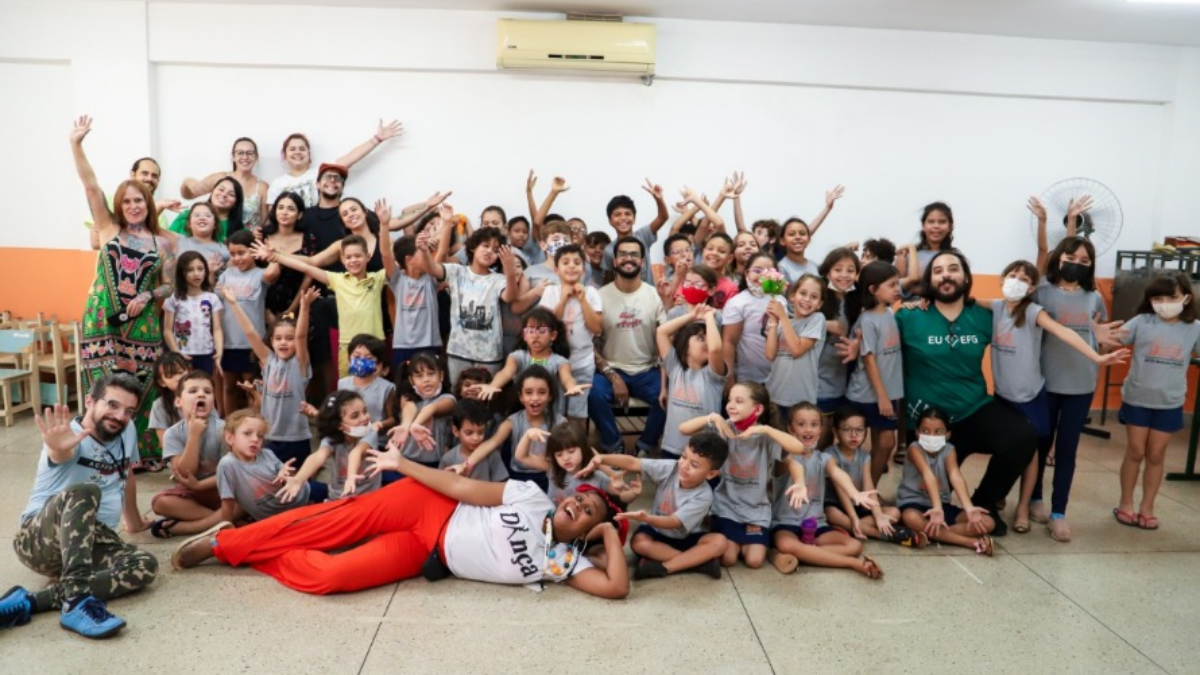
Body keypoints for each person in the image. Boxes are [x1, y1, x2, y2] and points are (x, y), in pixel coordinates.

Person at [171, 442, 630, 600]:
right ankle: (223, 547)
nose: (577, 505)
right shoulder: (532, 498)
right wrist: (403, 465)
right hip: (429, 506)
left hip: (427, 552)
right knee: (328, 523)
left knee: (333, 575)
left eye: (588, 512)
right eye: (580, 498)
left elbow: (616, 588)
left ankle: (249, 548)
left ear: (587, 532)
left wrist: (609, 530)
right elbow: (461, 488)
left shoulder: (563, 563)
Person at [895, 250, 1038, 536]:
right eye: (938, 271)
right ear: (929, 280)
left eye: (953, 269)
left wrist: (1090, 330)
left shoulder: (984, 315)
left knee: (1023, 435)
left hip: (974, 409)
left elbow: (1031, 323)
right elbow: (883, 350)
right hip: (930, 421)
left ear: (965, 277)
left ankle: (984, 503)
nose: (946, 275)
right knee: (926, 500)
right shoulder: (909, 316)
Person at [2, 376, 155, 638]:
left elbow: (126, 474)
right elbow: (60, 454)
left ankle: (30, 601)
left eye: (128, 411)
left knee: (144, 565)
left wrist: (134, 521)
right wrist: (56, 449)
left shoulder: (126, 429)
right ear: (90, 401)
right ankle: (76, 601)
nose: (120, 416)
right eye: (112, 405)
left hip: (92, 541)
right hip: (40, 539)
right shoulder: (68, 437)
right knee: (86, 491)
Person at [993, 256, 1127, 540]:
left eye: (1024, 279)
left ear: (1032, 288)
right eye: (1012, 276)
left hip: (1039, 392)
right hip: (1005, 394)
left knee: (1047, 449)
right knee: (1012, 448)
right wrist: (920, 300)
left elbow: (1065, 332)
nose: (1016, 282)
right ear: (1002, 278)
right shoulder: (995, 307)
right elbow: (962, 302)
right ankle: (1007, 495)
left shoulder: (1036, 310)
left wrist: (1097, 356)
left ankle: (1048, 511)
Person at [72, 115, 176, 467]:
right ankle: (93, 451)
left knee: (139, 393)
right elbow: (91, 187)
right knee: (101, 391)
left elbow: (169, 284)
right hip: (102, 322)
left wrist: (148, 296)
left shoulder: (162, 243)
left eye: (139, 201)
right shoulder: (108, 229)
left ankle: (134, 456)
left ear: (148, 204)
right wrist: (76, 144)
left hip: (143, 327)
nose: (134, 206)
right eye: (128, 201)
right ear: (120, 205)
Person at [680, 384, 804, 569]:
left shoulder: (766, 435)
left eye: (739, 401)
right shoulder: (723, 427)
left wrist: (767, 430)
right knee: (728, 559)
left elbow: (799, 448)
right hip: (726, 507)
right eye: (729, 400)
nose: (730, 405)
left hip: (756, 511)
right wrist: (712, 417)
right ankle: (750, 544)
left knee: (754, 561)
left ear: (758, 409)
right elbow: (683, 428)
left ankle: (768, 550)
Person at [1114, 271, 1200, 531]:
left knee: (1155, 454)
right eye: (1158, 298)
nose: (1164, 303)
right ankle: (1126, 503)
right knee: (1136, 451)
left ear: (1186, 298)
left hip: (1169, 402)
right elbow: (1112, 341)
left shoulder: (1194, 328)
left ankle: (1147, 507)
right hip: (1137, 398)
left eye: (1171, 298)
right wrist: (1097, 336)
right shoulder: (1141, 321)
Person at [582, 432, 730, 580]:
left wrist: (646, 518)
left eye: (694, 465)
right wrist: (602, 458)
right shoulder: (671, 467)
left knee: (720, 542)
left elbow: (673, 522)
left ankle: (664, 567)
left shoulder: (704, 496)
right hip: (657, 533)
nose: (684, 465)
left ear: (711, 474)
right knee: (639, 543)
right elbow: (634, 463)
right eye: (684, 456)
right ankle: (695, 562)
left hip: (687, 536)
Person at [768, 403, 884, 579]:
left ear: (821, 430)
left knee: (855, 546)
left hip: (817, 525)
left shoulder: (824, 458)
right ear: (791, 429)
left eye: (814, 424)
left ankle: (803, 554)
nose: (808, 429)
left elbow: (838, 473)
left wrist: (854, 493)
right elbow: (792, 465)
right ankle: (853, 564)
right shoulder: (785, 457)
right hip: (786, 523)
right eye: (801, 424)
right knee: (787, 545)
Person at [588, 237, 667, 457]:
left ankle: (645, 446)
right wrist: (612, 376)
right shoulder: (600, 296)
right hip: (610, 369)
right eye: (623, 254)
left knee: (671, 394)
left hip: (647, 370)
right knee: (592, 393)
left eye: (634, 254)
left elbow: (664, 339)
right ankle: (614, 446)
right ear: (614, 261)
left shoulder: (653, 295)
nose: (628, 259)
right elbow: (590, 344)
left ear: (642, 262)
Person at [225, 285, 317, 468]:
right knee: (269, 478)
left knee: (296, 480)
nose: (284, 342)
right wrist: (234, 304)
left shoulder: (299, 363)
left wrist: (305, 307)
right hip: (269, 436)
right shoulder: (268, 360)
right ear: (272, 341)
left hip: (296, 437)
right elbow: (250, 332)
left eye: (289, 338)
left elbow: (301, 335)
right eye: (278, 338)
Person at [898, 407, 996, 555]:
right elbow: (928, 475)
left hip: (943, 506)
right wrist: (936, 508)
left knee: (988, 523)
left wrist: (969, 508)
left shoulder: (949, 450)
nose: (931, 436)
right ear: (917, 433)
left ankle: (931, 534)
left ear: (947, 434)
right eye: (925, 431)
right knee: (910, 518)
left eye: (938, 432)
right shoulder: (914, 448)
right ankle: (970, 542)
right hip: (914, 503)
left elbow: (955, 476)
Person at [823, 406, 925, 547]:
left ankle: (848, 529)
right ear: (835, 431)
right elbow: (841, 491)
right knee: (831, 514)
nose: (853, 435)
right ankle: (883, 534)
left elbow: (869, 486)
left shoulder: (864, 456)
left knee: (894, 512)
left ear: (865, 432)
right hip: (838, 504)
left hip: (859, 505)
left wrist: (878, 515)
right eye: (846, 429)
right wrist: (853, 517)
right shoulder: (830, 455)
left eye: (859, 430)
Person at [844, 261, 904, 484]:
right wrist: (882, 397)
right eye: (892, 285)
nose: (897, 289)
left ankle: (869, 490)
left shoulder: (888, 312)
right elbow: (869, 360)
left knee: (886, 443)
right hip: (868, 395)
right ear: (873, 290)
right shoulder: (867, 319)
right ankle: (856, 491)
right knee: (864, 444)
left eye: (897, 284)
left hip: (888, 393)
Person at [149, 370, 228, 538]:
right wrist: (194, 436)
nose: (201, 394)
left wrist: (201, 485)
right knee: (160, 503)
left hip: (222, 489)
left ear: (213, 402)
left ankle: (186, 527)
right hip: (191, 493)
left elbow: (229, 473)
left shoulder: (225, 429)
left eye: (207, 392)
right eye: (193, 391)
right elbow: (185, 473)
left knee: (247, 498)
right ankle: (223, 520)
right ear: (178, 401)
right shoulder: (172, 434)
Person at [215, 409, 329, 524]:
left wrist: (285, 473)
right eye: (247, 433)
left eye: (260, 436)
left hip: (307, 496)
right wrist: (226, 528)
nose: (255, 439)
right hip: (279, 519)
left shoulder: (267, 454)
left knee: (336, 498)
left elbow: (289, 478)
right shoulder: (227, 464)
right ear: (230, 438)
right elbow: (227, 502)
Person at [538, 243, 604, 426]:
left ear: (584, 269)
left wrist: (582, 300)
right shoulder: (550, 292)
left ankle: (577, 444)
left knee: (578, 415)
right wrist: (562, 300)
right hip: (553, 362)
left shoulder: (591, 293)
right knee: (553, 413)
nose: (571, 266)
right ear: (556, 270)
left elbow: (597, 329)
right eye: (565, 262)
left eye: (577, 262)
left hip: (582, 363)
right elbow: (546, 328)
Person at [266, 122, 402, 209]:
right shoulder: (277, 184)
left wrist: (377, 139)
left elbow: (351, 157)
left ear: (309, 153)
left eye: (302, 149)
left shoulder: (321, 172)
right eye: (292, 149)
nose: (297, 152)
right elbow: (273, 215)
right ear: (285, 154)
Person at [217, 229, 278, 413]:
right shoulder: (226, 274)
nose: (237, 258)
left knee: (252, 388)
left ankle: (254, 423)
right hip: (228, 343)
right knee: (229, 386)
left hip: (253, 344)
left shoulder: (259, 274)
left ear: (253, 251)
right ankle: (230, 423)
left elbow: (273, 272)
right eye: (232, 254)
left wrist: (271, 253)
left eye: (241, 253)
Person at [657, 304, 726, 460]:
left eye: (709, 337)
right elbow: (661, 332)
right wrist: (692, 316)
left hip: (704, 452)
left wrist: (709, 318)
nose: (707, 342)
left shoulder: (713, 374)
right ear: (685, 346)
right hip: (672, 447)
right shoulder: (674, 367)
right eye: (701, 338)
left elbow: (715, 349)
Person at [514, 423, 640, 505]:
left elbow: (620, 499)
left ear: (583, 449)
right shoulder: (553, 469)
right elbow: (521, 456)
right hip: (553, 525)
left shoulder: (598, 478)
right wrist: (528, 435)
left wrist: (634, 493)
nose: (565, 458)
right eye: (559, 455)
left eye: (571, 451)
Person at [764, 274, 827, 421]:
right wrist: (773, 321)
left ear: (819, 304)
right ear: (792, 296)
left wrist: (783, 317)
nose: (807, 299)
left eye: (814, 297)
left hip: (801, 400)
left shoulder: (817, 319)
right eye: (803, 293)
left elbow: (797, 350)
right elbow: (770, 354)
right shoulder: (783, 324)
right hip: (774, 395)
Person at [180, 137, 271, 231]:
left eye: (250, 153)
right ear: (233, 157)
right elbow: (188, 195)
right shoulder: (220, 178)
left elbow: (266, 221)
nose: (245, 157)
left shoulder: (262, 187)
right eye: (240, 153)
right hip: (216, 235)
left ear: (256, 157)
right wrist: (188, 181)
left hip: (247, 238)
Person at [164, 251, 224, 375]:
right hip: (182, 354)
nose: (196, 274)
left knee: (203, 383)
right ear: (181, 273)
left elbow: (217, 329)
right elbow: (167, 330)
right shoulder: (174, 298)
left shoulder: (212, 298)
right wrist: (177, 353)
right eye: (190, 270)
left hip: (206, 354)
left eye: (200, 269)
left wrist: (219, 351)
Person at [259, 192, 314, 325]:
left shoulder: (308, 238)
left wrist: (291, 310)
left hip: (295, 303)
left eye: (291, 209)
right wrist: (264, 309)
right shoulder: (262, 235)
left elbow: (309, 275)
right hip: (261, 306)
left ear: (299, 215)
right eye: (280, 207)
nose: (284, 212)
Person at [600, 182, 668, 286]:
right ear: (610, 221)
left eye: (627, 214)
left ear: (634, 218)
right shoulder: (609, 250)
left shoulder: (643, 235)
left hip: (648, 295)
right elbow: (608, 282)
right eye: (617, 215)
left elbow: (663, 217)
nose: (623, 218)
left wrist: (659, 199)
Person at [775, 186, 845, 283]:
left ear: (808, 239)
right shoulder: (780, 269)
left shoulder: (815, 266)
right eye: (791, 234)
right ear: (782, 240)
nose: (798, 237)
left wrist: (828, 207)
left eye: (802, 233)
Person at [438, 401, 509, 482]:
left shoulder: (492, 455)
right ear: (456, 431)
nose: (476, 438)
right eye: (469, 433)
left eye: (480, 432)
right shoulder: (448, 459)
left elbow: (501, 485)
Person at [168, 176, 245, 243]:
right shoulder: (186, 215)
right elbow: (166, 241)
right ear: (213, 191)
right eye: (221, 189)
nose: (224, 195)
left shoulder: (240, 230)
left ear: (236, 202)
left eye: (231, 194)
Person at [174, 203, 229, 286]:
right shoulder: (178, 240)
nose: (202, 218)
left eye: (208, 216)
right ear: (189, 223)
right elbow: (153, 229)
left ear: (215, 224)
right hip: (180, 292)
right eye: (197, 215)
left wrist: (211, 273)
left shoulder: (225, 250)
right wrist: (161, 205)